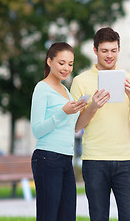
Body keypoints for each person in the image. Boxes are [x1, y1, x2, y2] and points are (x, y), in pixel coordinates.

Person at [70, 27, 130, 221]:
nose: (109, 55)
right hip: (94, 160)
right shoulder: (80, 81)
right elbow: (75, 126)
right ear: (95, 51)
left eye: (113, 50)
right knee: (98, 217)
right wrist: (93, 106)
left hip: (125, 161)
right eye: (104, 51)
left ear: (119, 49)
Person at [30, 42, 87, 221]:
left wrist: (91, 108)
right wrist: (63, 112)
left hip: (65, 159)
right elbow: (37, 130)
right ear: (49, 61)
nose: (66, 68)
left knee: (68, 216)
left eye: (70, 64)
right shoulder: (42, 88)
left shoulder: (66, 92)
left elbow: (74, 127)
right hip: (47, 158)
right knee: (48, 216)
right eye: (62, 63)